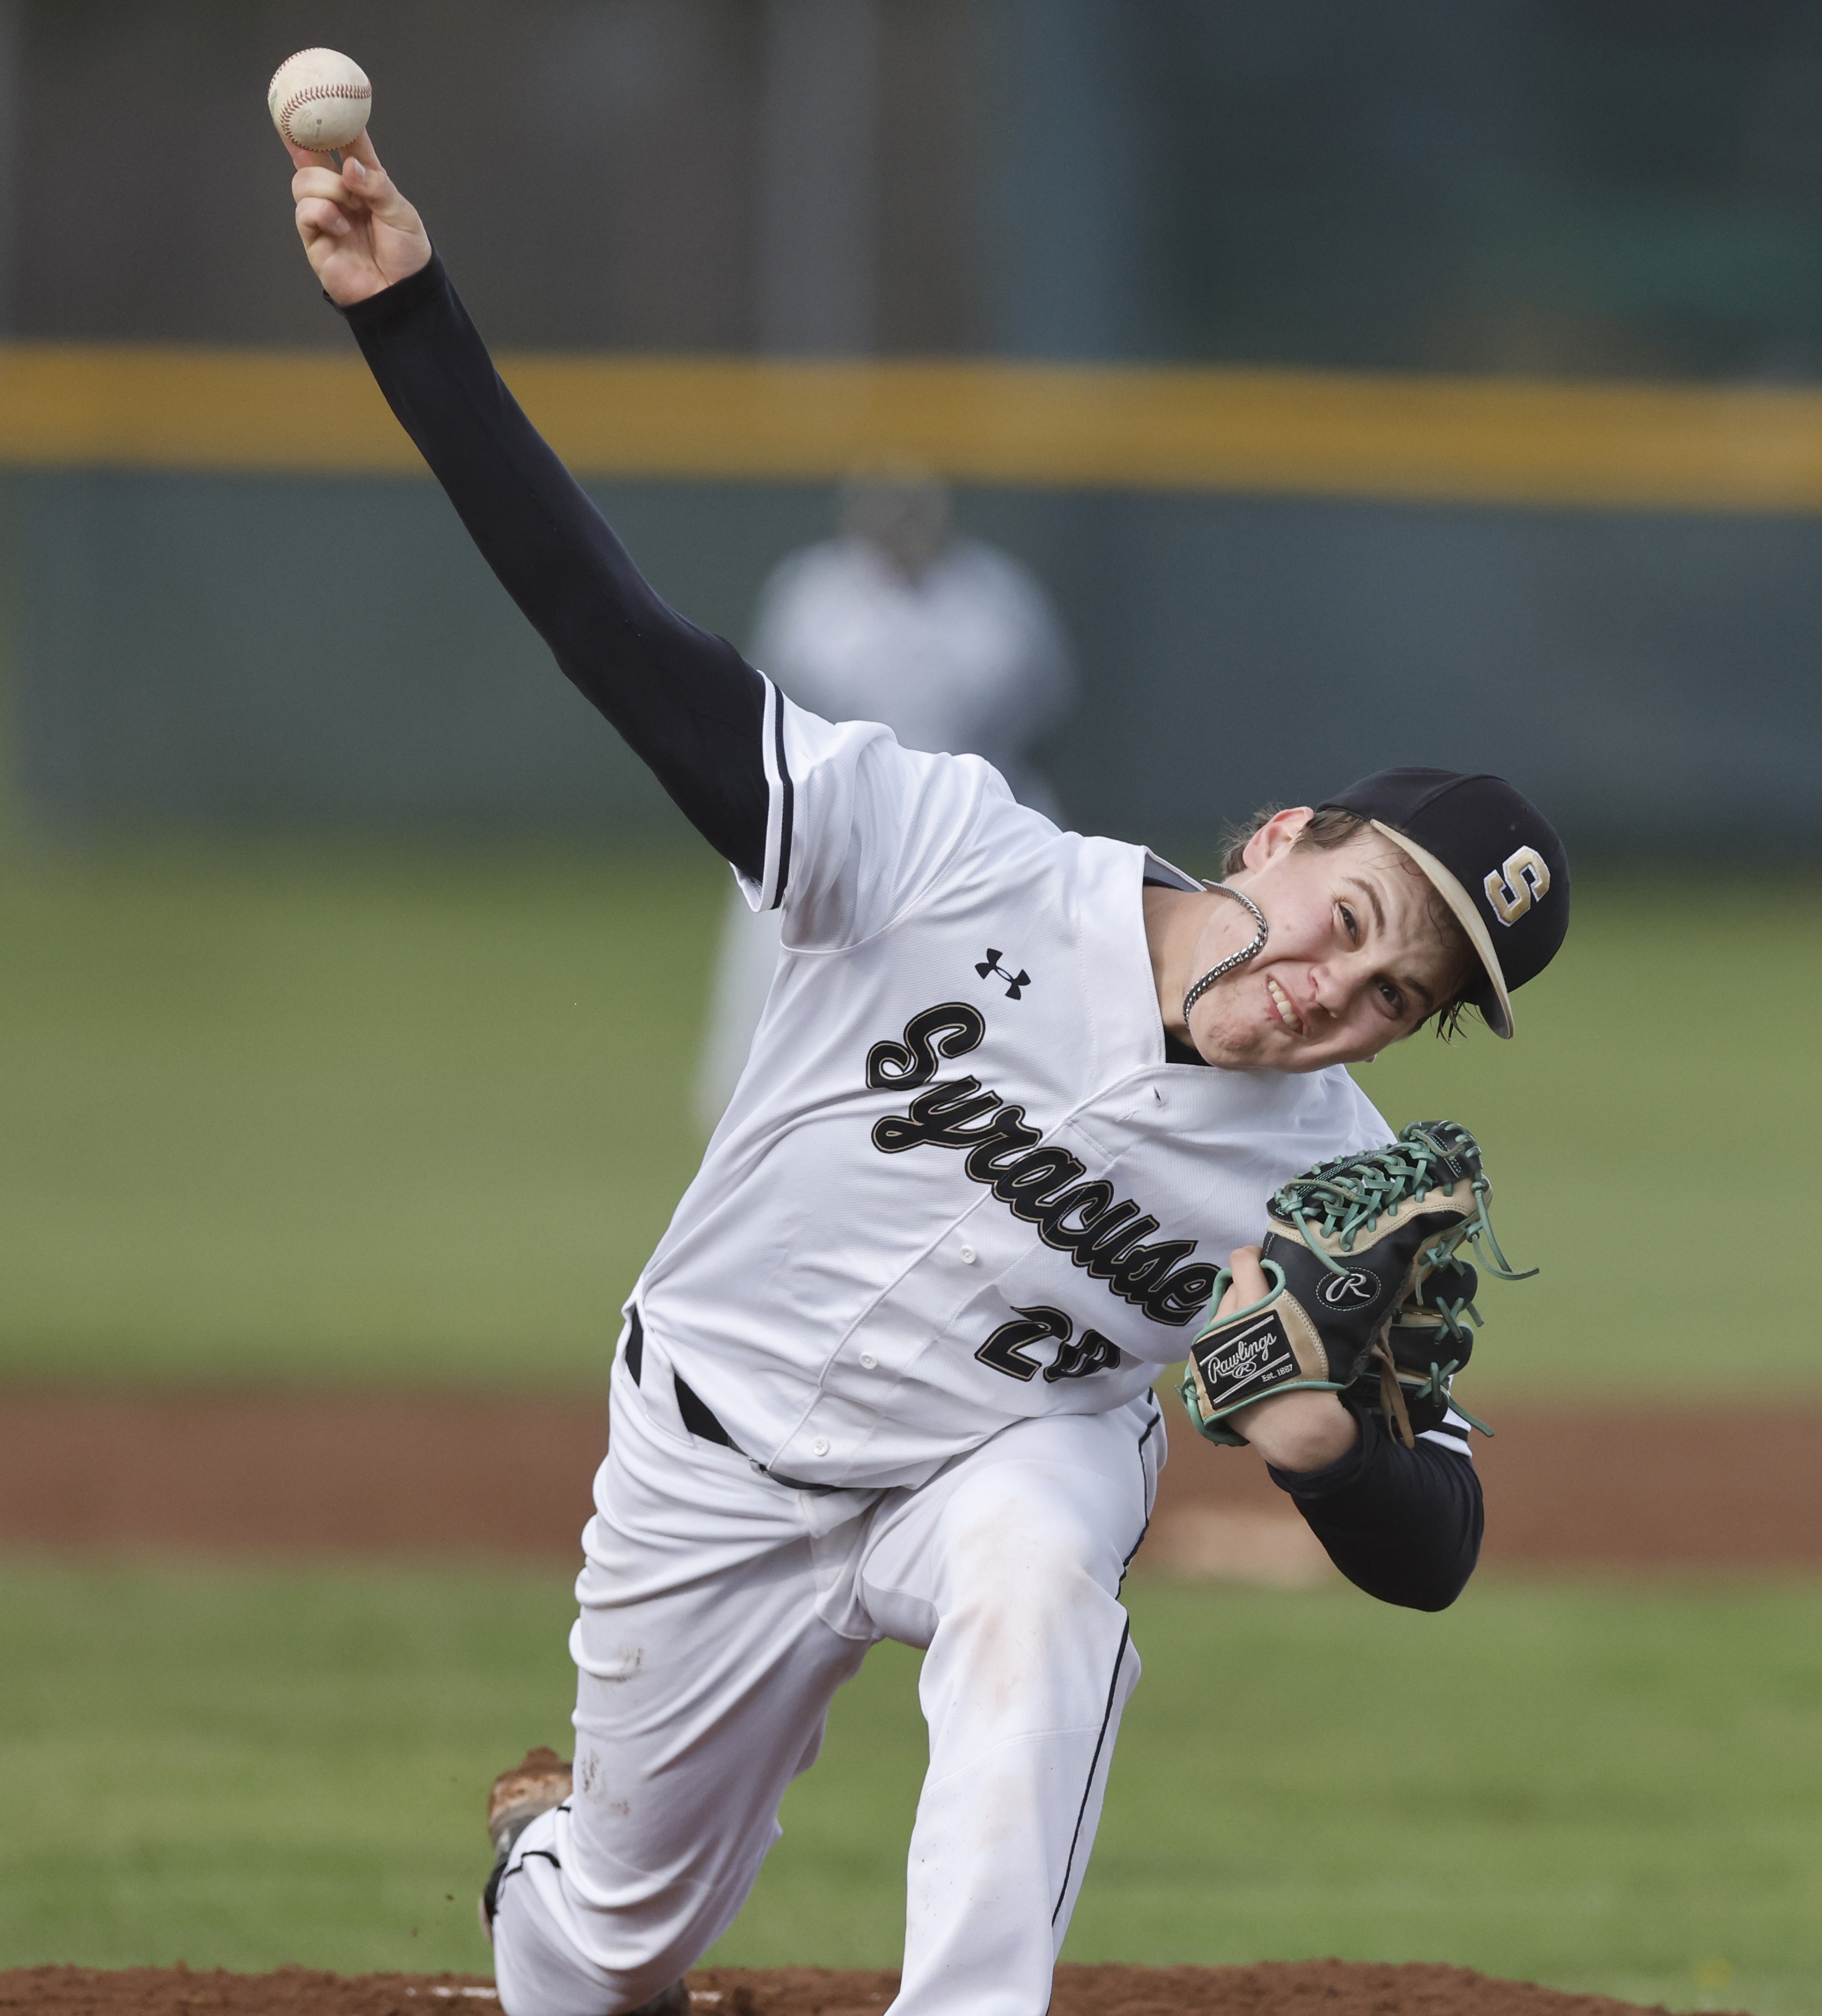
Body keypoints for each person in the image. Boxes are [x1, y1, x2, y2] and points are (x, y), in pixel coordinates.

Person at [283, 134, 1571, 2016]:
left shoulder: (1343, 1185)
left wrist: (1318, 1444)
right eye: (1352, 910)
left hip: (987, 1465)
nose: (1337, 985)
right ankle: (553, 1855)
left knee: (1049, 1546)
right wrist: (404, 310)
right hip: (711, 1451)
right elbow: (610, 635)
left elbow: (1436, 1539)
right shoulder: (942, 852)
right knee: (599, 1960)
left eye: (1398, 990)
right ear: (1282, 835)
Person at [695, 466, 1073, 1128]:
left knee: (1027, 953)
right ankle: (749, 1101)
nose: (900, 535)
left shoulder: (992, 593)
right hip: (841, 805)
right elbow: (774, 701)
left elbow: (1039, 696)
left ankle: (1033, 1093)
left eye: (911, 519)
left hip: (972, 804)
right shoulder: (813, 590)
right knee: (771, 939)